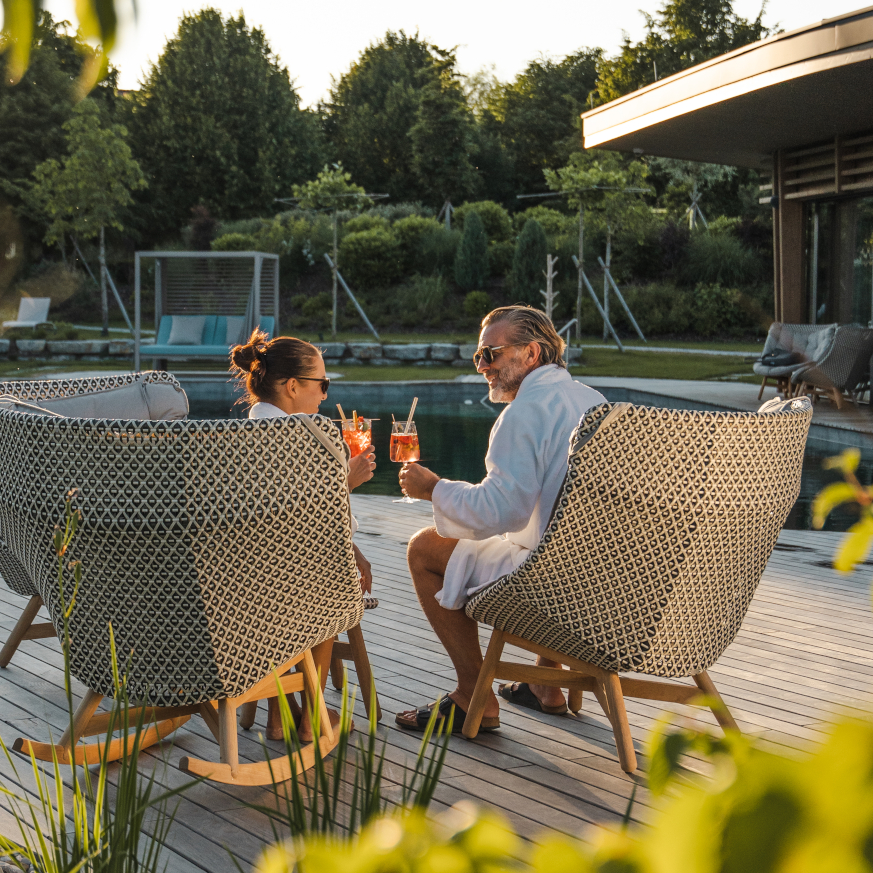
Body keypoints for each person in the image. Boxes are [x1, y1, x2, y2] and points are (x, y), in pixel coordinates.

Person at [393, 306, 605, 737]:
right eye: (478, 357)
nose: (483, 366)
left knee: (423, 549)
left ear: (531, 352)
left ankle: (474, 695)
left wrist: (435, 489)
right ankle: (544, 687)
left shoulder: (524, 412)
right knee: (554, 537)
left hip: (547, 580)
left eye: (491, 353)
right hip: (597, 573)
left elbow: (502, 512)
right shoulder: (592, 400)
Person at [230, 330, 373, 736]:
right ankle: (312, 708)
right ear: (292, 386)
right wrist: (345, 482)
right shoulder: (311, 437)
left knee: (292, 571)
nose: (325, 395)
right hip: (295, 586)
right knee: (327, 579)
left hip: (236, 586)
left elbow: (270, 524)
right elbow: (316, 527)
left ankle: (280, 709)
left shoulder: (233, 437)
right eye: (321, 384)